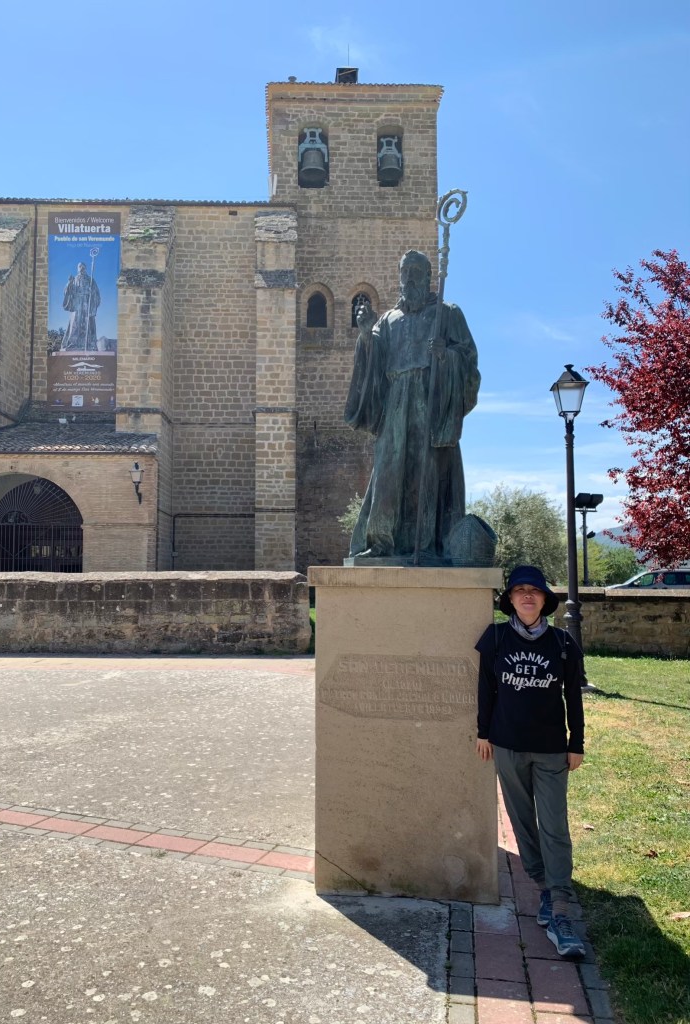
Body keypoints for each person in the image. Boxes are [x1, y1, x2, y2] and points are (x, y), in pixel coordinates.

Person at [475, 565, 586, 959]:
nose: (526, 596)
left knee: (554, 826)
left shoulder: (562, 643)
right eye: (519, 590)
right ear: (510, 599)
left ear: (544, 599)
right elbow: (486, 689)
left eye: (534, 591)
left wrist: (576, 742)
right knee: (522, 823)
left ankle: (561, 907)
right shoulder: (496, 638)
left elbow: (573, 695)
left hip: (551, 748)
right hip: (507, 746)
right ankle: (543, 887)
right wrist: (483, 733)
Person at [344, 250, 480, 562]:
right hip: (395, 401)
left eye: (416, 272)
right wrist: (366, 335)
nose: (410, 278)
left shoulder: (447, 313)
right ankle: (381, 542)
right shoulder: (388, 321)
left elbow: (469, 360)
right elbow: (373, 363)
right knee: (387, 473)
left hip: (431, 401)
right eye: (405, 272)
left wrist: (446, 357)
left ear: (429, 276)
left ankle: (427, 545)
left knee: (426, 473)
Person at [61, 262, 101, 351]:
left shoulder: (90, 280)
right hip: (77, 303)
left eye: (83, 267)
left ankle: (89, 344)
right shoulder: (74, 279)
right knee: (75, 322)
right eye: (80, 266)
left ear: (85, 268)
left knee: (87, 322)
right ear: (77, 268)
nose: (81, 268)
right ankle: (73, 344)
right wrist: (69, 283)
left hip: (87, 303)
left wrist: (92, 293)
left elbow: (96, 293)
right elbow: (67, 292)